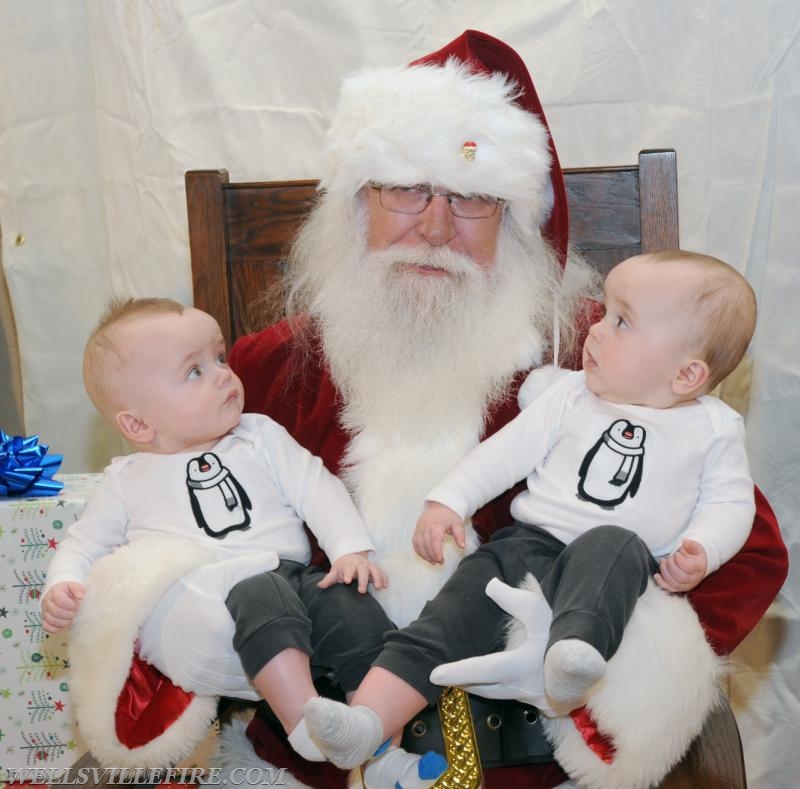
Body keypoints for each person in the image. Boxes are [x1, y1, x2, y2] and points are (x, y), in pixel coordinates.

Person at [87, 30, 787, 789]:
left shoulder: (596, 361)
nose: (432, 226)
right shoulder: (258, 373)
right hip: (315, 761)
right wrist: (181, 618)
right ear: (357, 202)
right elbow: (145, 512)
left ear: (518, 220)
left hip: (536, 763)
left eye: (472, 198)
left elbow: (745, 551)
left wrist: (612, 635)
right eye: (405, 188)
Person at [301, 249, 758, 774]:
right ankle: (368, 721)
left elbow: (730, 503)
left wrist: (703, 549)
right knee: (445, 621)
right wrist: (449, 500)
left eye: (622, 322)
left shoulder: (714, 428)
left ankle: (572, 656)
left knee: (614, 541)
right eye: (607, 312)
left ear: (687, 374)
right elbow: (504, 453)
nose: (596, 330)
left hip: (616, 565)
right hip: (527, 544)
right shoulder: (569, 397)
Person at [41, 297, 395, 765]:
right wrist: (62, 582)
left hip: (290, 573)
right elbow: (85, 543)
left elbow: (315, 486)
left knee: (349, 603)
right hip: (212, 596)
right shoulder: (127, 478)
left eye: (220, 358)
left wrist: (350, 548)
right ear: (138, 424)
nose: (223, 374)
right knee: (263, 597)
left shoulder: (260, 435)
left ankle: (373, 722)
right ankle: (304, 724)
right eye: (194, 371)